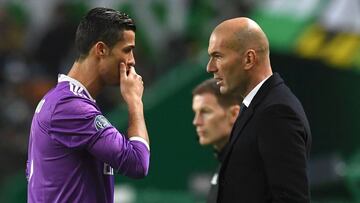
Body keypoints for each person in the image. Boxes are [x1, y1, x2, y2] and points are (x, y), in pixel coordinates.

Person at [26, 7, 150, 203]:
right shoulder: (70, 107)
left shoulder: (62, 100)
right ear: (101, 49)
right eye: (127, 50)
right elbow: (137, 163)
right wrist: (135, 101)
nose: (132, 61)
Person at [206, 17, 312, 202]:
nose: (210, 67)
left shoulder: (277, 113)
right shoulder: (258, 105)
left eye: (218, 56)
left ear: (249, 59)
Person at [192, 78, 240, 203]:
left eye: (205, 112)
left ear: (234, 114)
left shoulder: (249, 167)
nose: (196, 122)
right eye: (195, 113)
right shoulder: (225, 164)